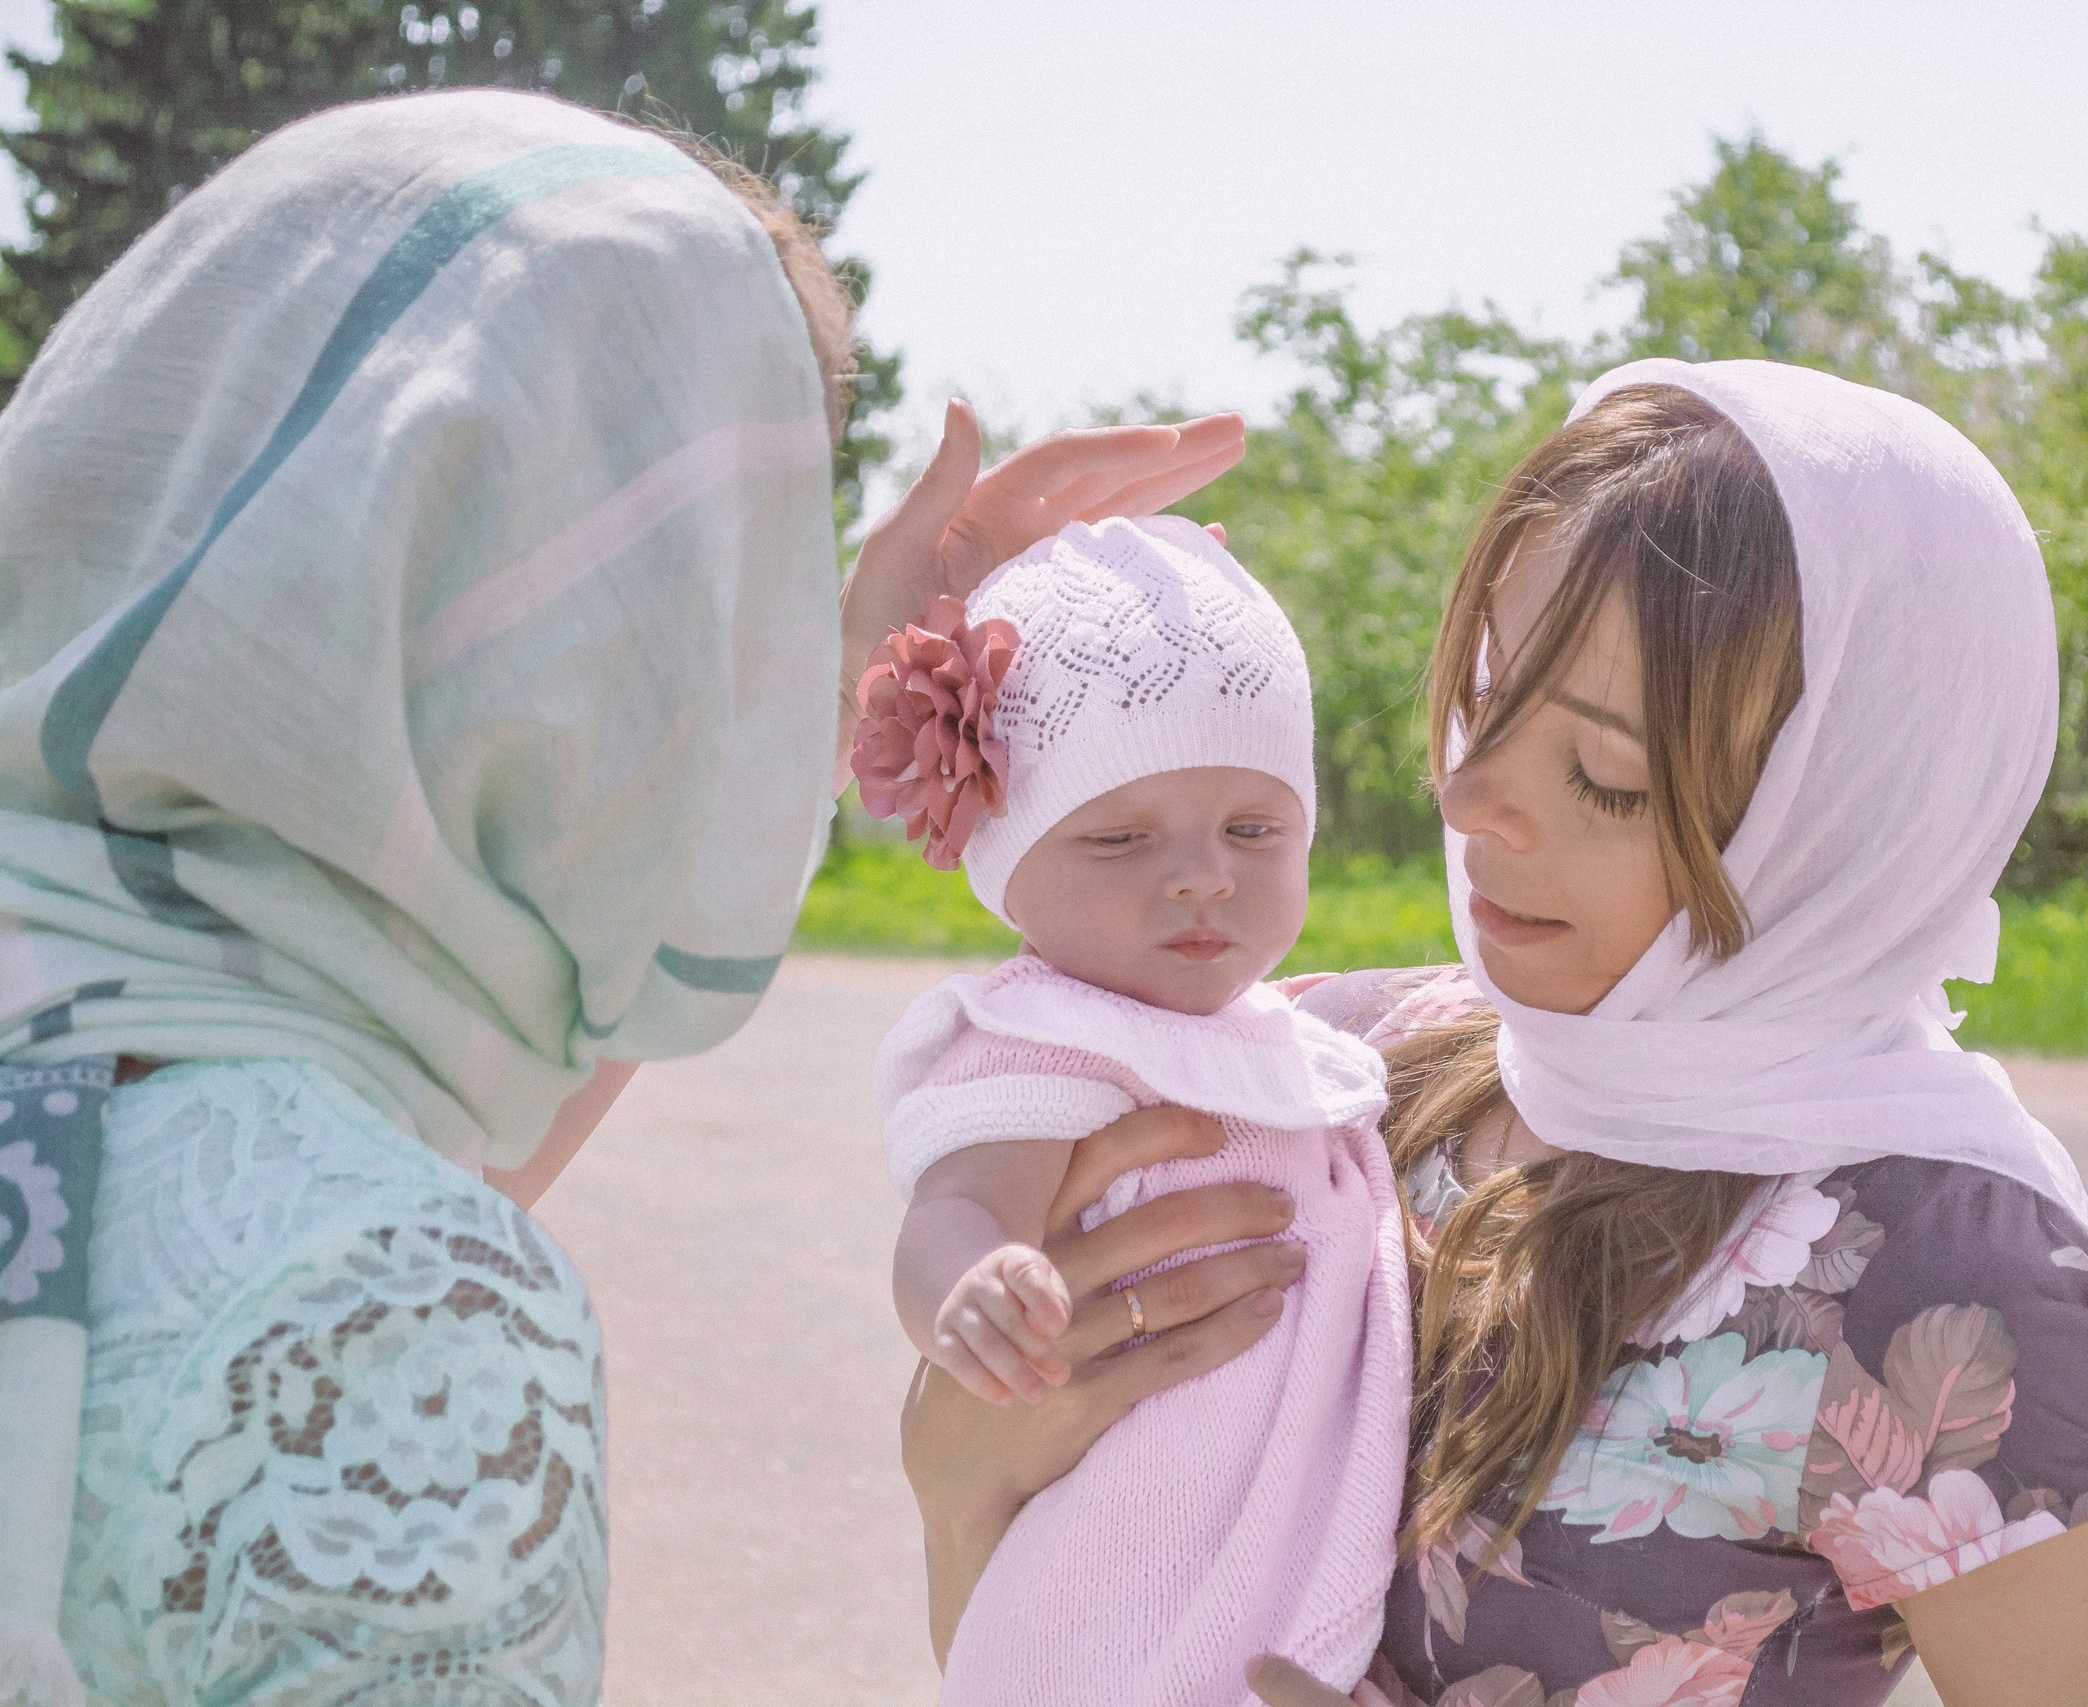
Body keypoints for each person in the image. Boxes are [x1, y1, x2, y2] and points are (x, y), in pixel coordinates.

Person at [0, 88, 1253, 1706]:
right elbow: (356, 1245)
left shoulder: (108, 1081)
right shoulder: (388, 1316)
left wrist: (842, 677)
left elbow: (374, 1157)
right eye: (717, 576)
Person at [902, 360, 2088, 1707]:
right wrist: (958, 1482)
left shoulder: (1940, 1284)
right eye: (1486, 702)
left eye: (1606, 775)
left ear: (1854, 813)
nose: (1469, 798)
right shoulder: (1329, 1066)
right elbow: (1045, 1622)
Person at [857, 516, 1410, 1706]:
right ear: (1008, 864)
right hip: (1124, 1541)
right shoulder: (1049, 1034)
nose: (1204, 874)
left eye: (1253, 830)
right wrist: (975, 1285)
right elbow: (958, 1204)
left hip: (1273, 1507)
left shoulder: (1288, 1041)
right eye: (1119, 838)